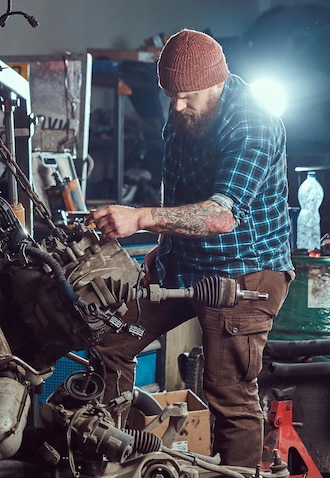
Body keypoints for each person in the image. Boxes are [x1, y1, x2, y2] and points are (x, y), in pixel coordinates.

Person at [88, 29, 294, 468]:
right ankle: (115, 458)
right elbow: (178, 187)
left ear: (218, 82)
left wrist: (142, 218)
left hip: (246, 273)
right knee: (110, 341)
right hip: (186, 266)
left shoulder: (252, 121)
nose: (178, 106)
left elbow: (222, 216)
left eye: (188, 96)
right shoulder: (183, 112)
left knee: (230, 397)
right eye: (170, 96)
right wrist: (163, 248)